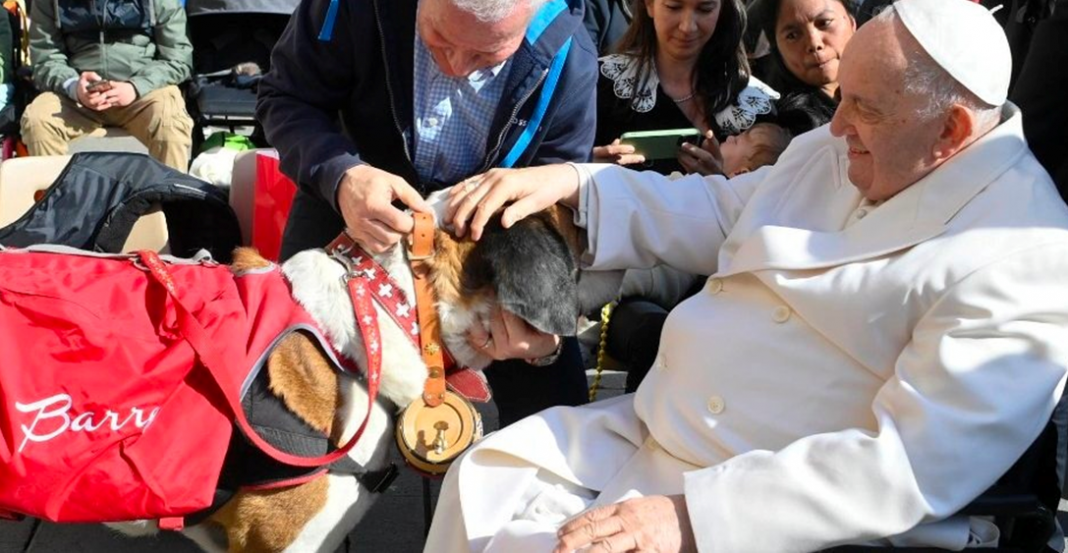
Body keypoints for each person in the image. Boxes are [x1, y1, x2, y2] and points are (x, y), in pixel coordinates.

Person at [427, 0, 1068, 550]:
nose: (836, 125)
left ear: (951, 130)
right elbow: (723, 208)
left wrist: (694, 519)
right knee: (482, 481)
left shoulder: (1023, 254)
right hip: (661, 428)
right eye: (843, 98)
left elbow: (908, 466)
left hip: (762, 504)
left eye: (863, 109)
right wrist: (571, 184)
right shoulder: (856, 145)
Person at [256, 0, 599, 426]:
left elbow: (554, 204)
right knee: (285, 412)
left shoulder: (569, 56)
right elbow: (287, 96)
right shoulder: (349, 8)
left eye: (487, 56)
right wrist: (341, 174)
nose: (456, 67)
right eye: (438, 40)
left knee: (558, 421)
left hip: (483, 273)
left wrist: (541, 339)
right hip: (345, 223)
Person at [593, 0, 777, 176]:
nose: (687, 27)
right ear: (649, 5)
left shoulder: (753, 104)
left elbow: (771, 193)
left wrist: (719, 183)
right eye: (674, 7)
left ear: (722, 9)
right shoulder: (600, 85)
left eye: (705, 9)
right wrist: (587, 168)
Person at [20, 0, 193, 171]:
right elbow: (45, 59)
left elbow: (177, 58)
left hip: (144, 93)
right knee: (38, 121)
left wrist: (135, 87)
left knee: (171, 124)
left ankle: (171, 189)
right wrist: (74, 86)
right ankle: (55, 189)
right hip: (76, 94)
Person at [753, 0, 857, 122]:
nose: (814, 43)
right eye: (792, 35)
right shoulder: (778, 125)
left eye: (824, 23)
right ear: (776, 47)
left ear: (852, 22)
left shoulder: (877, 85)